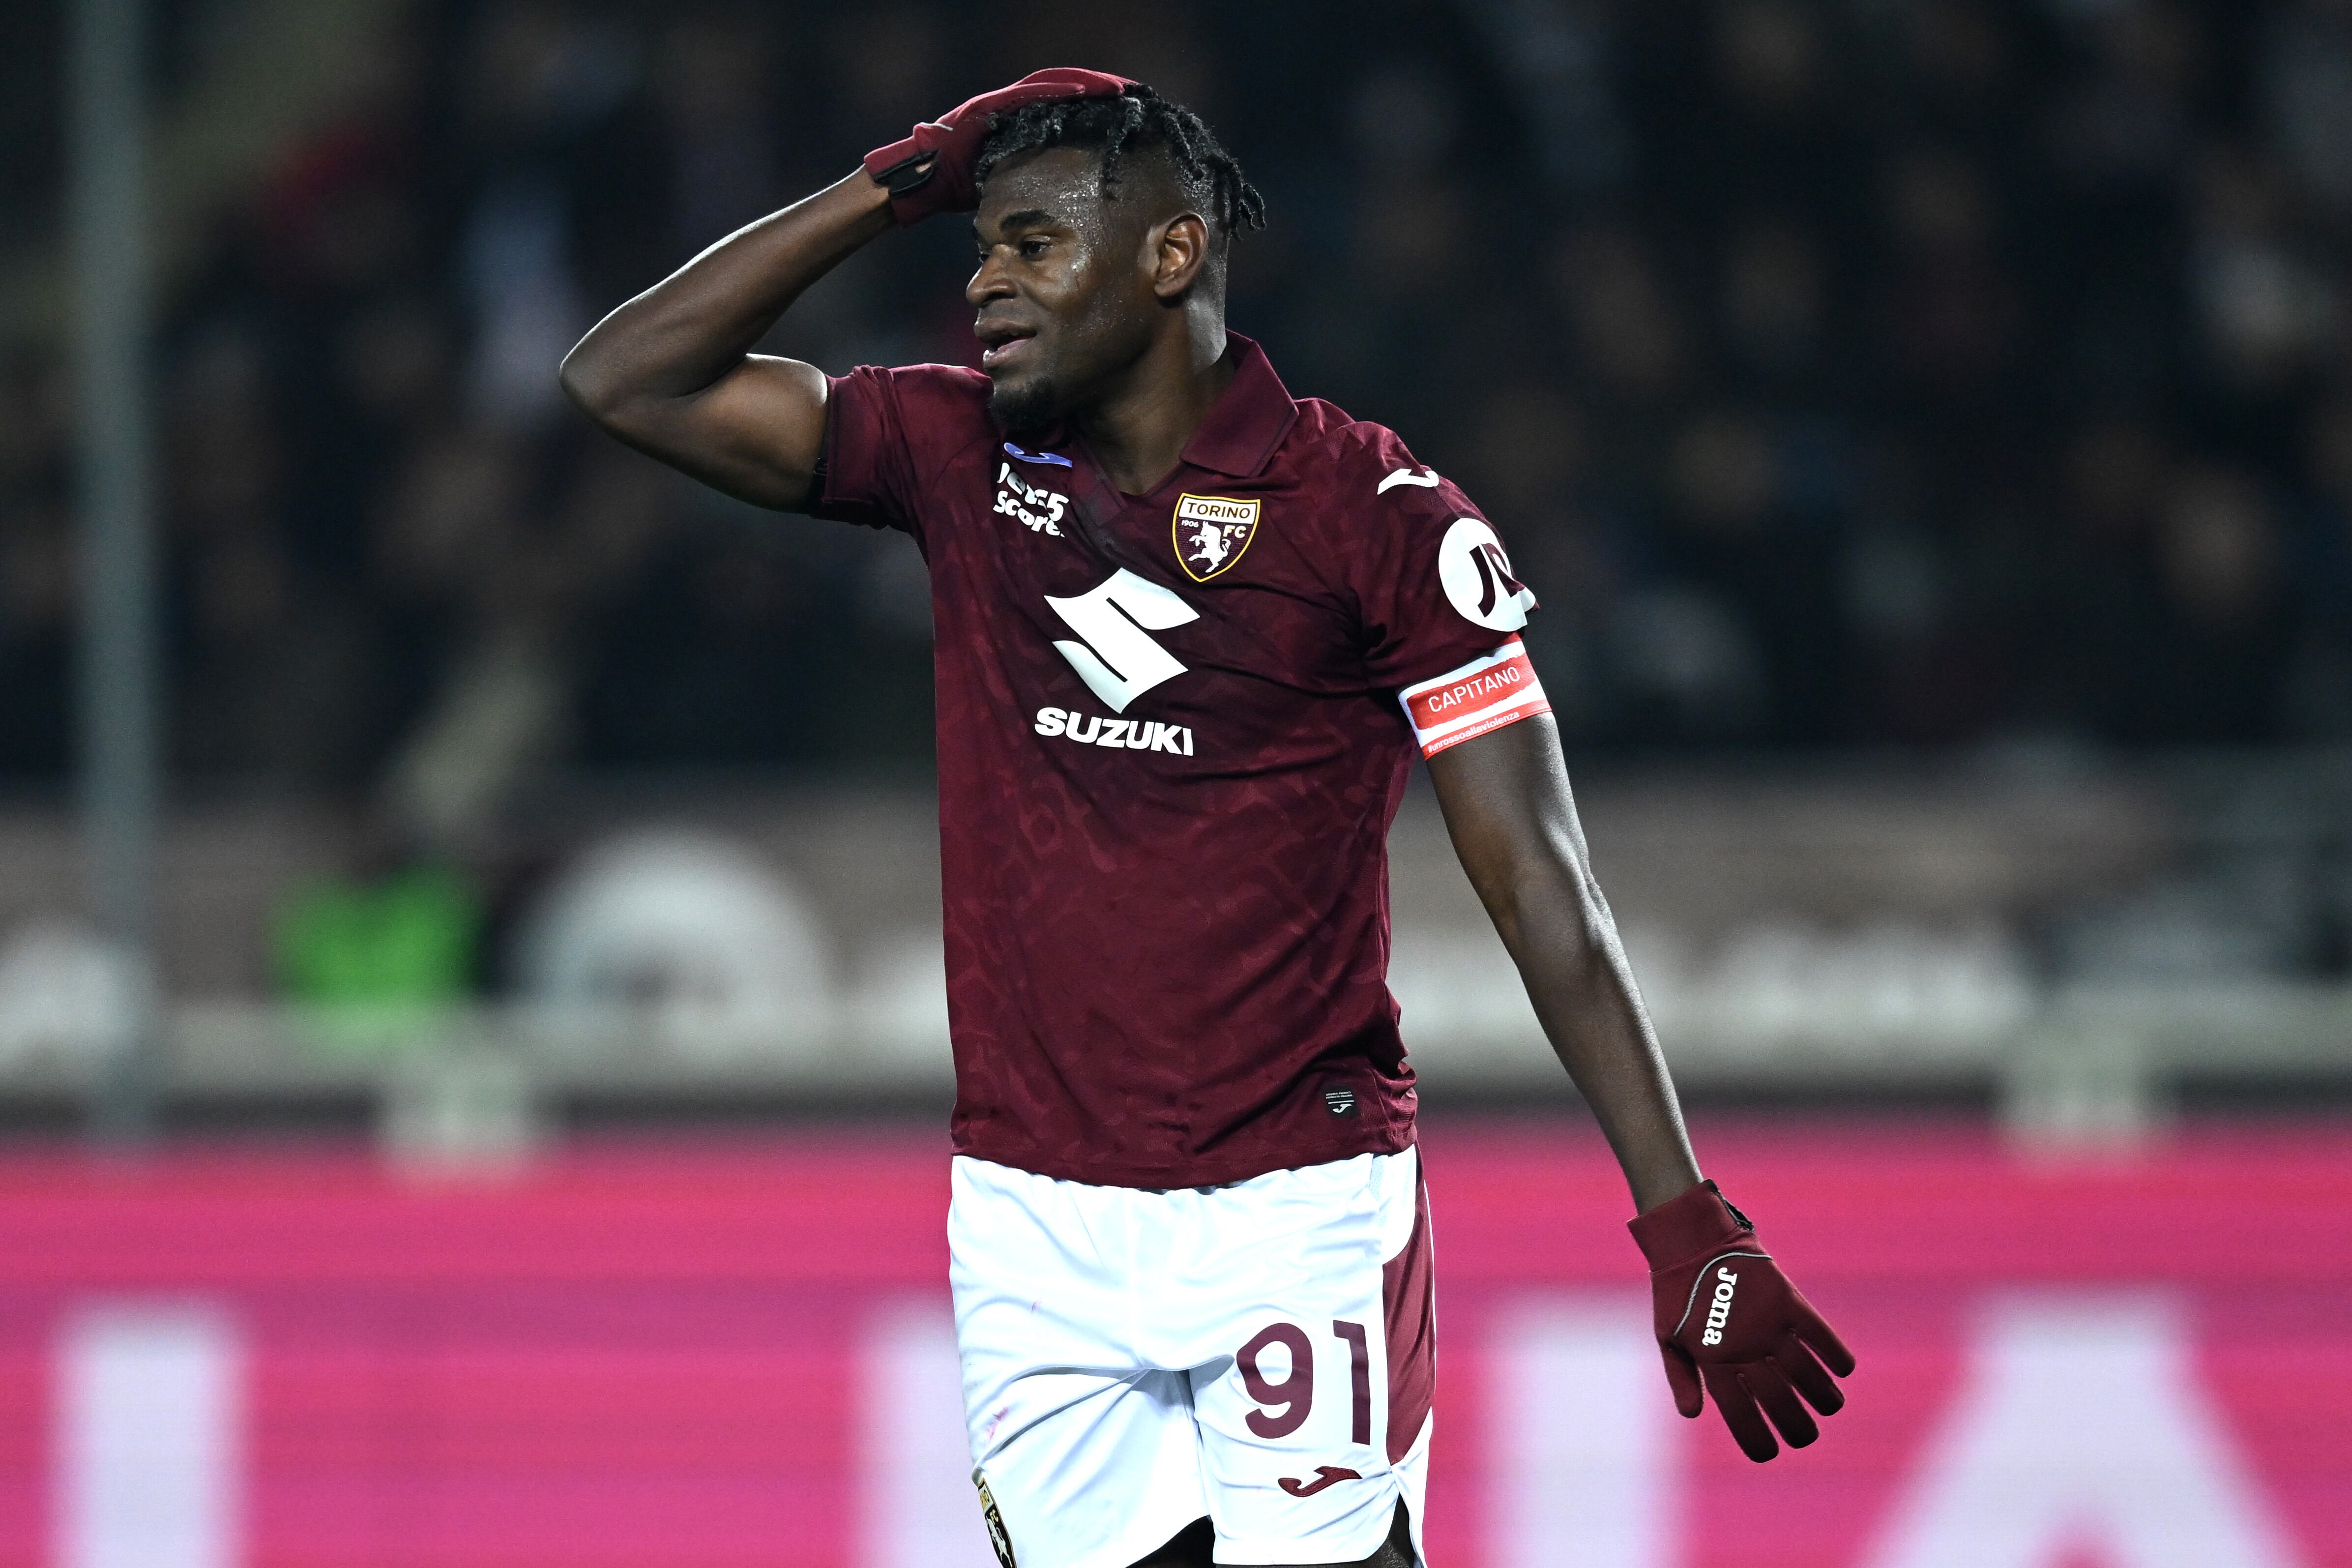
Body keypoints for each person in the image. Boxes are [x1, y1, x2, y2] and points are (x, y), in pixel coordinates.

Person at [562, 70, 1853, 1568]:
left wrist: (1681, 1213)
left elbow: (1540, 883)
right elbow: (625, 382)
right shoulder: (954, 454)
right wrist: (892, 183)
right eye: (976, 247)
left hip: (1291, 1201)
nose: (983, 282)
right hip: (1032, 1213)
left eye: (1033, 244)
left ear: (1170, 257)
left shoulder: (1380, 519)